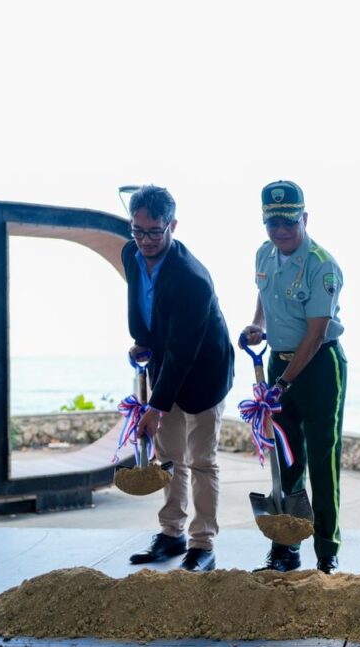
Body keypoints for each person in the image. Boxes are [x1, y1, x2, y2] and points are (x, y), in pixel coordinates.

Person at [124, 185, 234, 572]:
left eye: (154, 231)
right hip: (166, 368)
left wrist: (155, 407)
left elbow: (184, 351)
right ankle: (172, 534)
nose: (145, 240)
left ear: (172, 225)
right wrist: (143, 342)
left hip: (204, 373)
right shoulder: (130, 253)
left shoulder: (193, 279)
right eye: (138, 230)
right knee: (169, 457)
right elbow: (145, 307)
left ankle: (203, 544)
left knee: (201, 461)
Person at [241, 180, 347, 575]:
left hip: (319, 367)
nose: (281, 231)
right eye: (273, 223)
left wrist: (283, 384)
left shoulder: (322, 265)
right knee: (285, 460)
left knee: (322, 460)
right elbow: (264, 292)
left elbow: (316, 335)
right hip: (278, 364)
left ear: (305, 218)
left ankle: (327, 551)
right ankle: (286, 547)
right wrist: (257, 325)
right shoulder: (264, 254)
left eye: (289, 222)